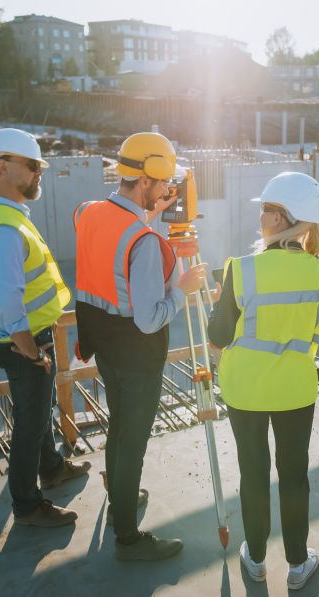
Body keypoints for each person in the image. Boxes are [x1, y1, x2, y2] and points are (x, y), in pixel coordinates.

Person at [73, 132, 207, 561]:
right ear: (147, 177)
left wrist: (149, 216)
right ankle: (128, 538)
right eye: (165, 182)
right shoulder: (146, 242)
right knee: (132, 442)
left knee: (119, 430)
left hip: (103, 347)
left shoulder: (88, 212)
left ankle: (121, 502)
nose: (170, 189)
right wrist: (183, 290)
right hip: (136, 355)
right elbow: (150, 318)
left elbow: (118, 245)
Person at [208, 172, 319, 590]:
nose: (260, 215)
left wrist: (220, 301)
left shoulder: (241, 270)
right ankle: (299, 564)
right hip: (297, 389)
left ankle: (257, 558)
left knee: (254, 471)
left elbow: (218, 336)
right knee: (295, 473)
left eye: (265, 208)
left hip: (245, 391)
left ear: (281, 218)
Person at [0, 128, 91, 528]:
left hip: (25, 340)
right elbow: (7, 301)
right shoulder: (6, 228)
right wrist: (30, 350)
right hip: (23, 344)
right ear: (3, 167)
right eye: (33, 166)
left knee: (39, 412)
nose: (40, 172)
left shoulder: (2, 214)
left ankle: (52, 466)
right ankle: (26, 505)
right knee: (30, 422)